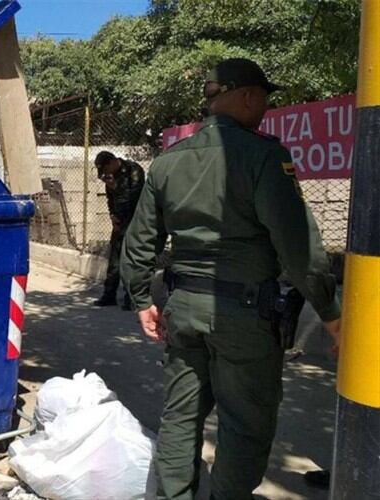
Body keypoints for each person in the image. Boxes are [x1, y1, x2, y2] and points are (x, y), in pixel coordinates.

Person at [120, 58, 342, 499]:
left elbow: (139, 240)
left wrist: (142, 298)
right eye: (263, 97)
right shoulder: (263, 156)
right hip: (244, 316)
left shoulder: (167, 163)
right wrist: (331, 314)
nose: (264, 107)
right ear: (244, 96)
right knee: (244, 424)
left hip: (182, 309)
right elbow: (298, 245)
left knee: (180, 418)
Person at [94, 151, 144, 309]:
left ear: (112, 162)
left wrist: (114, 187)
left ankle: (132, 298)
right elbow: (110, 200)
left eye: (106, 170)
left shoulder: (133, 170)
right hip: (120, 222)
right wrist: (112, 216)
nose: (106, 174)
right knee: (114, 259)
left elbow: (133, 198)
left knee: (132, 259)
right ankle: (109, 295)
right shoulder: (110, 177)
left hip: (135, 220)